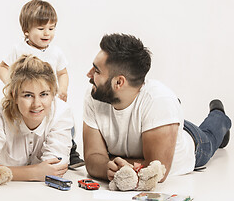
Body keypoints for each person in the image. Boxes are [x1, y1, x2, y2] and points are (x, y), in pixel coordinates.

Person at [83, 33, 231, 182]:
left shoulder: (159, 100)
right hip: (156, 124)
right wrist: (108, 168)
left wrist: (109, 159)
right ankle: (169, 119)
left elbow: (156, 171)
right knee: (160, 111)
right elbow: (92, 159)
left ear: (119, 82)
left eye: (96, 71)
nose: (88, 74)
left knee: (210, 136)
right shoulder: (95, 95)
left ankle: (218, 114)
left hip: (193, 144)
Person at [0, 0, 84, 169]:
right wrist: (11, 84)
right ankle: (19, 149)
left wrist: (63, 89)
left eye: (51, 29)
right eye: (41, 28)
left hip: (46, 97)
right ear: (26, 31)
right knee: (18, 120)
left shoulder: (55, 52)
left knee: (64, 117)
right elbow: (2, 67)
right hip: (27, 97)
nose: (47, 34)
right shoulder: (19, 49)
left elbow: (62, 73)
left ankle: (70, 149)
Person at [0, 54, 74, 181]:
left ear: (53, 94)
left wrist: (3, 170)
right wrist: (33, 173)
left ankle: (73, 147)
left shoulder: (62, 111)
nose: (36, 104)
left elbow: (54, 169)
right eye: (28, 95)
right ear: (14, 96)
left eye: (44, 94)